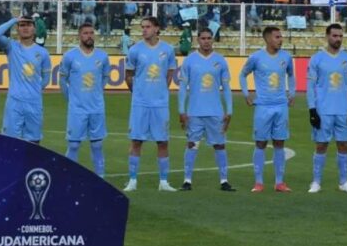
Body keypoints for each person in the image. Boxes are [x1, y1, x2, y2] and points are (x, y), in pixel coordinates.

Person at [123, 16, 178, 192]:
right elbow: (128, 75)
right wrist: (138, 93)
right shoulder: (135, 50)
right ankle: (132, 180)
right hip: (140, 103)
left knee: (162, 142)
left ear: (156, 28)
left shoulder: (168, 50)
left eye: (147, 27)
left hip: (160, 103)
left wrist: (161, 91)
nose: (144, 30)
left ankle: (164, 182)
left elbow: (169, 74)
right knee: (136, 141)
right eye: (143, 27)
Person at [239, 26, 296, 193]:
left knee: (279, 142)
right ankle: (258, 182)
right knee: (261, 143)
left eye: (281, 36)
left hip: (281, 105)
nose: (281, 39)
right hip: (263, 106)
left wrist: (292, 93)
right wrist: (246, 94)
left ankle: (279, 182)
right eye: (277, 37)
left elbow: (291, 75)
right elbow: (242, 75)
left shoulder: (286, 57)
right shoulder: (256, 57)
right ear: (268, 39)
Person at [178, 28, 235, 192]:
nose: (206, 41)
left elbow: (226, 87)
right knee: (191, 145)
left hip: (215, 112)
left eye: (209, 38)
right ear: (198, 40)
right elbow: (182, 87)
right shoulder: (189, 60)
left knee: (220, 145)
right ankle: (187, 180)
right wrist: (182, 111)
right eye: (203, 38)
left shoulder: (220, 60)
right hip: (194, 112)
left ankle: (224, 181)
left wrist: (229, 111)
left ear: (213, 40)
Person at [307, 23, 347, 194]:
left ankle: (344, 182)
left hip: (343, 110)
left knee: (344, 145)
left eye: (340, 36)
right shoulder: (317, 58)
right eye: (335, 36)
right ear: (327, 36)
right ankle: (316, 182)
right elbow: (310, 86)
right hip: (323, 110)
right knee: (321, 146)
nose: (338, 39)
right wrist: (312, 109)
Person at [60, 22, 110, 177]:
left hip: (97, 108)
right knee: (74, 145)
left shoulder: (103, 56)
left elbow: (105, 78)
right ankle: (68, 178)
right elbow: (62, 80)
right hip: (77, 109)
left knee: (97, 145)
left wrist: (97, 93)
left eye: (91, 33)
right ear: (79, 36)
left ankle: (100, 179)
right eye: (85, 33)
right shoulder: (70, 56)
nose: (89, 36)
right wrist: (71, 100)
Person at [0, 15, 52, 144]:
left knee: (34, 142)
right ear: (17, 29)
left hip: (34, 102)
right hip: (15, 101)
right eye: (22, 25)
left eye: (29, 25)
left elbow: (46, 78)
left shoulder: (43, 52)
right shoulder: (11, 46)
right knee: (9, 142)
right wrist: (14, 20)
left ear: (34, 29)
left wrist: (35, 91)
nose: (25, 28)